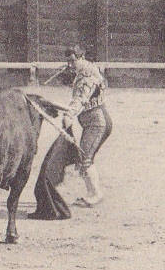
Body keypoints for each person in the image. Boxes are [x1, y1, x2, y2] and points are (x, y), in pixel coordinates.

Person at [30, 46, 113, 219]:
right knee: (85, 156)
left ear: (81, 57)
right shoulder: (85, 69)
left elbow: (81, 99)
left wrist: (69, 115)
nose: (70, 64)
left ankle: (95, 195)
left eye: (73, 61)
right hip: (93, 122)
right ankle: (93, 193)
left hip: (97, 123)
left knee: (85, 157)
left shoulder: (88, 75)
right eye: (68, 61)